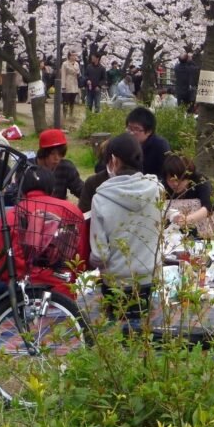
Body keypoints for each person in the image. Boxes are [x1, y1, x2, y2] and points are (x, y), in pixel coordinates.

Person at [0, 166, 89, 297]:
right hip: (64, 294)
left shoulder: (11, 215)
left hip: (24, 294)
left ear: (21, 189)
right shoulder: (73, 211)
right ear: (52, 187)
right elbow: (82, 255)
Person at [89, 133, 162, 314]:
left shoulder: (101, 198)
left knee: (115, 331)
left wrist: (91, 262)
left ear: (113, 160)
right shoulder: (157, 190)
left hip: (116, 283)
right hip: (149, 278)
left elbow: (100, 254)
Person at [164, 154, 214, 239]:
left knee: (195, 203)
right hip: (174, 224)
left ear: (189, 177)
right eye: (171, 180)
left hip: (204, 221)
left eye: (180, 180)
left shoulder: (200, 182)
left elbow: (209, 207)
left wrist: (186, 220)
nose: (175, 184)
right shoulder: (163, 187)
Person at [35, 128, 84, 200]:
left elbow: (81, 191)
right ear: (43, 153)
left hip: (58, 208)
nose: (57, 158)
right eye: (52, 153)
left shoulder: (66, 168)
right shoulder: (28, 168)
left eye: (60, 153)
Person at [126, 106, 171, 180]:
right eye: (129, 128)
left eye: (136, 129)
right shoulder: (125, 143)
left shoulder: (160, 146)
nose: (131, 133)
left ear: (149, 131)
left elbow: (166, 174)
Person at [61, 51, 81, 118]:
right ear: (69, 56)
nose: (74, 57)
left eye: (75, 55)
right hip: (67, 82)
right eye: (73, 55)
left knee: (72, 100)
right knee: (66, 100)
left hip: (74, 83)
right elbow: (63, 75)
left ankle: (71, 114)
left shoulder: (77, 64)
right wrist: (63, 85)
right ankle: (64, 115)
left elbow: (78, 72)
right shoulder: (65, 64)